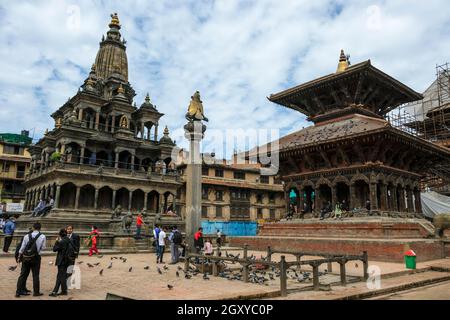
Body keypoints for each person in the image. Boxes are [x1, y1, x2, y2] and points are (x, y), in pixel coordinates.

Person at [16, 222, 46, 298]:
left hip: (26, 258)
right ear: (40, 228)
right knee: (35, 275)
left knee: (23, 275)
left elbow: (22, 248)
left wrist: (19, 256)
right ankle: (36, 292)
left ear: (33, 228)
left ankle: (18, 292)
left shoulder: (26, 236)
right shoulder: (42, 236)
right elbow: (43, 248)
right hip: (36, 258)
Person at [49, 228, 71, 297]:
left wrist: (56, 241)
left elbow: (54, 249)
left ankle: (59, 291)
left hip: (61, 260)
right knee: (61, 275)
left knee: (61, 276)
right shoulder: (68, 240)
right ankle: (60, 290)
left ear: (60, 235)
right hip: (67, 260)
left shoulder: (61, 242)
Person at [14, 228, 32, 295]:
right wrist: (19, 260)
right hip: (24, 260)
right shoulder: (25, 240)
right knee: (23, 275)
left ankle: (23, 288)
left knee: (25, 275)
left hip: (25, 260)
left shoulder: (27, 239)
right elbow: (18, 252)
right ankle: (19, 291)